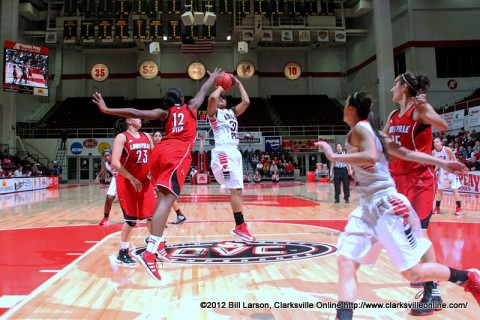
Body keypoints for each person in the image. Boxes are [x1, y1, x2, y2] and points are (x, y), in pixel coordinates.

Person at [316, 92, 479, 320]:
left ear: (352, 109)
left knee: (412, 272)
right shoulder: (375, 133)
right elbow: (407, 153)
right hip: (367, 209)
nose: (343, 109)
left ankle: (468, 277)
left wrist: (334, 157)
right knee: (346, 261)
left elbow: (371, 157)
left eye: (346, 106)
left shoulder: (360, 130)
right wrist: (442, 162)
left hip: (386, 205)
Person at [93, 67, 221, 281]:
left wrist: (107, 110)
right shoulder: (191, 107)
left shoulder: (165, 113)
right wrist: (214, 78)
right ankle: (151, 251)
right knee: (167, 200)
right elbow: (204, 90)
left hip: (158, 153)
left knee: (161, 199)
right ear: (181, 98)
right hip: (176, 153)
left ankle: (155, 246)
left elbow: (135, 112)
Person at [383, 72, 449, 314]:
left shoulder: (419, 112)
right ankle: (426, 276)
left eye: (395, 85)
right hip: (398, 181)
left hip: (420, 180)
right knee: (408, 233)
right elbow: (384, 141)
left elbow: (443, 125)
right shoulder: (393, 115)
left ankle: (433, 293)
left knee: (419, 235)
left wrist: (427, 106)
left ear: (405, 89)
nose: (392, 90)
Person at [207, 76, 256, 242]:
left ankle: (239, 226)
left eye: (224, 97)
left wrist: (239, 83)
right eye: (220, 96)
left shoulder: (231, 112)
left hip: (234, 151)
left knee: (237, 190)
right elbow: (212, 97)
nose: (221, 98)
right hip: (223, 151)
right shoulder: (213, 113)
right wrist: (221, 85)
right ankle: (240, 226)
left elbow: (247, 102)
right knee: (235, 189)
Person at [152, 130, 187, 225]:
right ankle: (179, 215)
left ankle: (161, 221)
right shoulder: (152, 149)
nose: (158, 137)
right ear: (153, 138)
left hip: (164, 176)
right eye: (156, 136)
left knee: (164, 198)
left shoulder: (165, 148)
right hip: (156, 176)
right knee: (166, 198)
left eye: (159, 136)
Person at [432, 137, 463, 216]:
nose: (436, 143)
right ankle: (437, 208)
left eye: (437, 142)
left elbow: (455, 160)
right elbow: (438, 164)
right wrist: (434, 172)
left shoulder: (447, 149)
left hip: (451, 170)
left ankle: (459, 209)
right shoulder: (433, 153)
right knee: (439, 190)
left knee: (454, 190)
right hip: (442, 171)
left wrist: (451, 169)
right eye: (434, 142)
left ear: (441, 143)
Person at [94, 149, 118, 226]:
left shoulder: (118, 160)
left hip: (124, 179)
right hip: (115, 179)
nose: (107, 157)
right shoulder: (106, 164)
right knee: (109, 198)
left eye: (108, 155)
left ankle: (133, 218)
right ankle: (105, 218)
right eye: (105, 156)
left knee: (127, 201)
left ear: (112, 155)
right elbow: (102, 171)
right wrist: (98, 177)